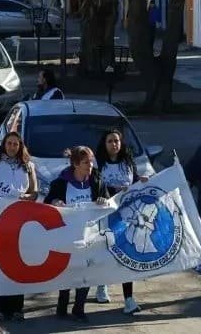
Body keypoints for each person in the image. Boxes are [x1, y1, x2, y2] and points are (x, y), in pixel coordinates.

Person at [44, 146, 109, 323]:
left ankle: (79, 308)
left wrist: (103, 200)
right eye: (86, 162)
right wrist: (55, 201)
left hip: (89, 237)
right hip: (67, 236)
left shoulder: (97, 181)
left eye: (91, 161)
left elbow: (107, 201)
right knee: (68, 271)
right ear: (75, 164)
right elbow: (47, 202)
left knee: (86, 273)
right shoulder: (60, 183)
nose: (91, 165)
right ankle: (62, 305)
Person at [0, 132, 38, 322]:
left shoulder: (28, 165)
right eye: (9, 143)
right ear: (4, 145)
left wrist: (28, 197)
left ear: (20, 146)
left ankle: (16, 307)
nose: (12, 147)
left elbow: (35, 192)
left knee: (18, 263)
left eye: (15, 144)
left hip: (19, 219)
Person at [94, 129, 148, 313]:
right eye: (110, 141)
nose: (114, 144)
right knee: (105, 251)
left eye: (116, 140)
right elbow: (96, 188)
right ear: (104, 144)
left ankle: (129, 299)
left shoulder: (127, 162)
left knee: (127, 253)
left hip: (127, 217)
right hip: (105, 216)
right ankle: (101, 285)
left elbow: (134, 183)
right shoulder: (98, 164)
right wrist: (113, 191)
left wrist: (141, 181)